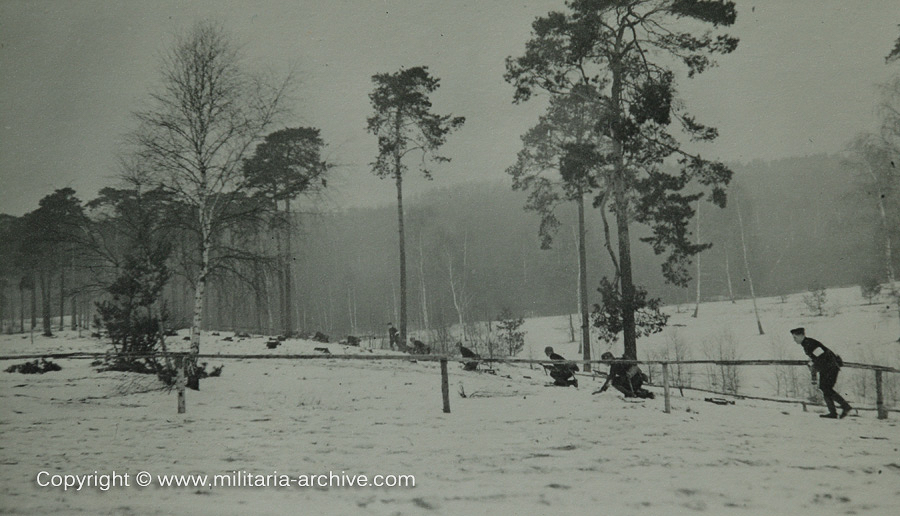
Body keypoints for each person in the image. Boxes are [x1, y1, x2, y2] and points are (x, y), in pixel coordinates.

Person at [791, 327, 852, 419]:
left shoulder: (810, 344)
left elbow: (822, 356)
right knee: (825, 388)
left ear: (801, 335)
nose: (794, 340)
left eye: (795, 337)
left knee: (825, 388)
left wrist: (814, 368)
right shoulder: (807, 344)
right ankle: (833, 412)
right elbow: (817, 357)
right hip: (827, 367)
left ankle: (845, 407)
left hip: (830, 367)